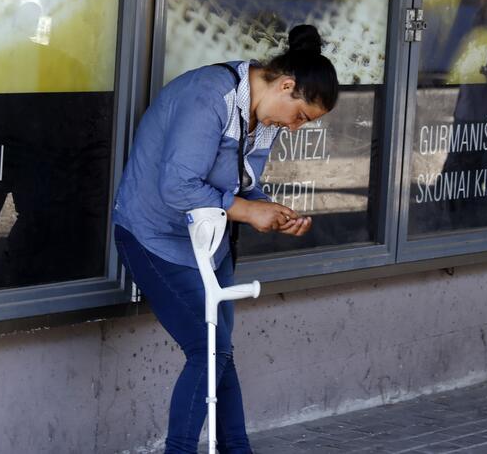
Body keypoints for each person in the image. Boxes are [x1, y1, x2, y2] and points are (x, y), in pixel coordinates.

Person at [112, 24, 338, 453]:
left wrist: (269, 209)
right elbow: (178, 187)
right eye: (301, 117)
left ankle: (238, 449)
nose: (295, 129)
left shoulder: (267, 116)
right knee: (209, 350)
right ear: (287, 85)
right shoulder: (209, 95)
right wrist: (249, 211)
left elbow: (239, 185)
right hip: (153, 235)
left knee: (220, 353)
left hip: (208, 242)